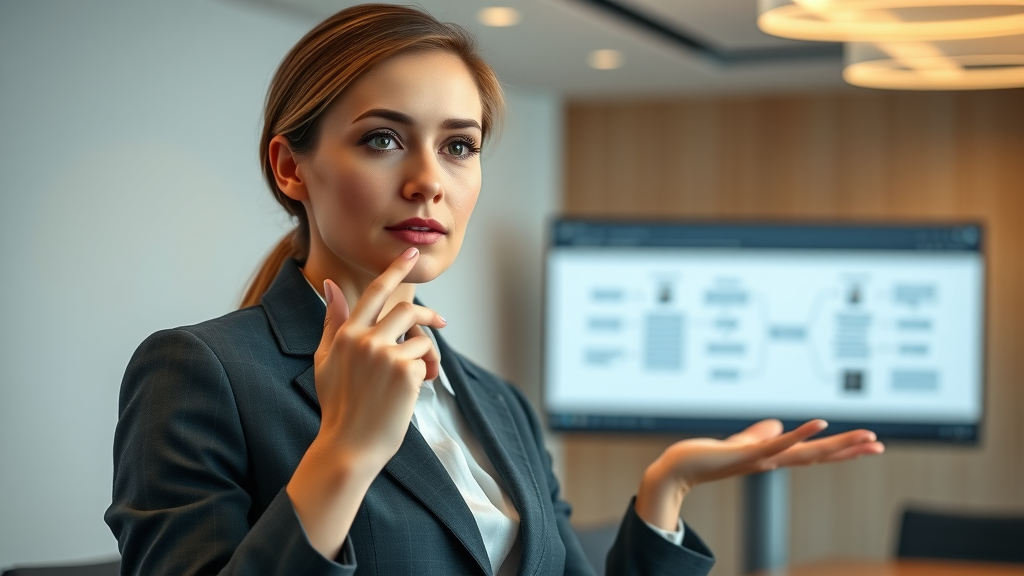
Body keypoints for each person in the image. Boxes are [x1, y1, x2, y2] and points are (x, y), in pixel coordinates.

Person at [104, 5, 884, 575]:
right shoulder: (200, 371)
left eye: (458, 147)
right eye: (383, 139)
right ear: (290, 166)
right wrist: (345, 452)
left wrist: (665, 487)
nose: (427, 182)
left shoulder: (498, 403)